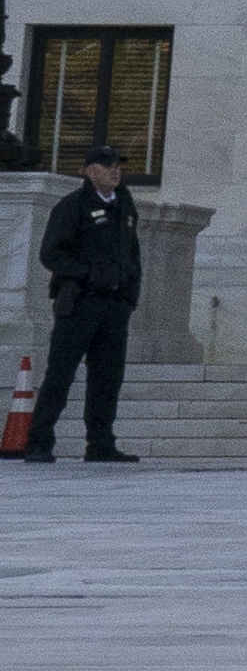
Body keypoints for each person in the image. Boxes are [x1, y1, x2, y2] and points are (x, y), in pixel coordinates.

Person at [23, 145, 146, 461]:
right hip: (79, 303)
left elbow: (132, 255)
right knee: (60, 375)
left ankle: (101, 443)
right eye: (107, 166)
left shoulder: (124, 206)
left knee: (107, 378)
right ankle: (38, 442)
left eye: (117, 166)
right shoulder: (73, 206)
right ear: (90, 171)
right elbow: (51, 254)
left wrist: (129, 296)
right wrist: (87, 274)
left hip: (114, 307)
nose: (115, 171)